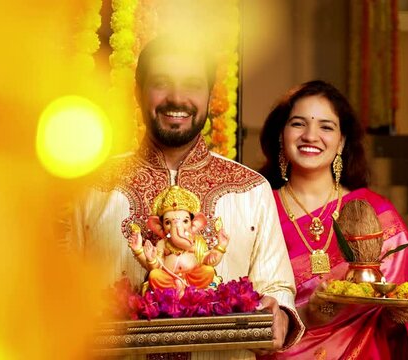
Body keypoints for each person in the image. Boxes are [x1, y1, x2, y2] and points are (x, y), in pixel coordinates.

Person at [64, 35, 304, 359]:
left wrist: (279, 314)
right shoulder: (90, 189)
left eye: (192, 84)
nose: (177, 98)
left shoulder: (251, 189)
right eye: (161, 83)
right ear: (138, 93)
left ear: (209, 95)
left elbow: (277, 290)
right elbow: (57, 291)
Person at [258, 80, 408, 359]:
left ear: (342, 141)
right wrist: (306, 315)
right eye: (298, 124)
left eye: (326, 126)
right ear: (280, 135)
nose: (311, 135)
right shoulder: (258, 208)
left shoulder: (374, 211)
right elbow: (245, 310)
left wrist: (400, 314)